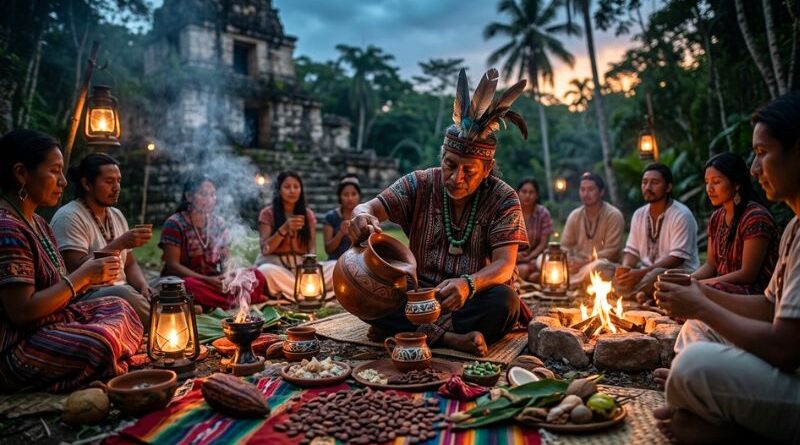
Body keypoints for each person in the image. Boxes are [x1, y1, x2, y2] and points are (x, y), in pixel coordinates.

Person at [347, 68, 531, 356]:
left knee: (505, 303)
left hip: (471, 299)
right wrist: (362, 215)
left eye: (468, 170)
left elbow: (504, 265)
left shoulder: (504, 197)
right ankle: (449, 339)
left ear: (486, 171)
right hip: (415, 296)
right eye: (450, 165)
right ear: (442, 157)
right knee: (360, 289)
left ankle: (411, 332)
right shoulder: (419, 182)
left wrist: (469, 284)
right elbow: (370, 206)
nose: (457, 177)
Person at [651, 92, 800, 445]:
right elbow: (768, 307)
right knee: (695, 329)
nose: (754, 167)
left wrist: (702, 300)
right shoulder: (794, 227)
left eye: (763, 153)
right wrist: (697, 290)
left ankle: (725, 424)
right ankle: (715, 413)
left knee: (692, 366)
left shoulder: (757, 218)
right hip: (774, 344)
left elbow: (786, 348)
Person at [0, 129, 142, 393]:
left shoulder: (39, 223)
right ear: (21, 173)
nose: (63, 181)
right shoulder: (8, 228)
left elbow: (128, 266)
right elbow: (22, 312)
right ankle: (109, 360)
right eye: (54, 171)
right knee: (102, 342)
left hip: (55, 319)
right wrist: (84, 276)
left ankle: (109, 358)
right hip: (21, 344)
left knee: (120, 307)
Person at [51, 153, 153, 326]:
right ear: (86, 184)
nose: (117, 187)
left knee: (169, 284)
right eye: (109, 181)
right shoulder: (69, 216)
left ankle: (160, 310)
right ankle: (162, 322)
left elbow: (129, 264)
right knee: (125, 294)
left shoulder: (116, 215)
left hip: (124, 290)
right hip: (86, 296)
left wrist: (143, 286)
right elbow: (76, 269)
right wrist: (120, 243)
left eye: (118, 181)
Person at [159, 175, 266, 309]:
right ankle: (240, 299)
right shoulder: (174, 224)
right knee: (188, 286)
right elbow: (172, 265)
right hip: (189, 281)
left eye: (212, 195)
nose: (209, 200)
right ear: (189, 196)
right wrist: (206, 280)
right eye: (203, 194)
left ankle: (213, 302)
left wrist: (227, 276)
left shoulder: (218, 223)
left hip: (213, 280)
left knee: (257, 275)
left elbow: (225, 258)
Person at [691, 152, 779, 294]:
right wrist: (687, 280)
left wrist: (701, 284)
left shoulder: (755, 217)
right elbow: (710, 265)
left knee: (702, 291)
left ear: (736, 184)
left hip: (756, 293)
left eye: (716, 182)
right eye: (707, 182)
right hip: (719, 288)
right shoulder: (716, 218)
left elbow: (748, 274)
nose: (709, 189)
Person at [617, 163, 699, 302]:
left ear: (668, 187)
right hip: (643, 274)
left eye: (654, 182)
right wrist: (626, 269)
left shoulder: (682, 215)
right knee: (602, 266)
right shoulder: (639, 214)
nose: (647, 187)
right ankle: (640, 295)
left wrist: (640, 274)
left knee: (658, 275)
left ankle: (622, 294)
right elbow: (632, 251)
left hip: (676, 274)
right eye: (644, 182)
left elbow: (677, 258)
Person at [256, 171, 333, 299]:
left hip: (301, 266)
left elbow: (311, 248)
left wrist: (309, 266)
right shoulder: (267, 214)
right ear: (278, 190)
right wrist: (284, 229)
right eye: (287, 187)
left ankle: (293, 292)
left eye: (296, 187)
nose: (292, 191)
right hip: (276, 266)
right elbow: (265, 250)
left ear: (301, 190)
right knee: (265, 271)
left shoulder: (308, 215)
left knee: (334, 266)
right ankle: (308, 292)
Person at [560, 172, 625, 284]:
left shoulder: (613, 215)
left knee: (599, 266)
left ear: (601, 192)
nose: (586, 194)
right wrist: (569, 260)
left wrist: (585, 261)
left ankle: (567, 282)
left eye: (590, 189)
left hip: (604, 265)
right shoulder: (575, 215)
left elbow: (612, 251)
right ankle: (571, 279)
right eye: (582, 189)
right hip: (577, 266)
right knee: (543, 259)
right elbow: (565, 246)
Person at [515, 178, 553, 282]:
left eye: (531, 192)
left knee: (545, 263)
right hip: (513, 258)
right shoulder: (511, 213)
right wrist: (515, 255)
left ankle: (532, 276)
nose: (527, 195)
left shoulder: (543, 213)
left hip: (536, 258)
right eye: (524, 192)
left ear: (536, 195)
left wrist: (529, 257)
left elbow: (543, 244)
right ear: (517, 193)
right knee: (523, 270)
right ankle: (531, 277)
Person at [323, 174, 361, 261]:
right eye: (346, 194)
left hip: (358, 262)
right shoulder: (331, 217)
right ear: (340, 196)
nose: (350, 198)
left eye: (354, 194)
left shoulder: (364, 216)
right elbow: (328, 250)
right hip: (335, 262)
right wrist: (341, 233)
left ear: (359, 196)